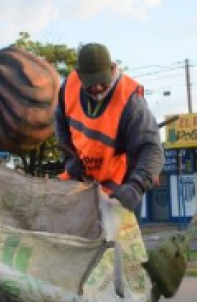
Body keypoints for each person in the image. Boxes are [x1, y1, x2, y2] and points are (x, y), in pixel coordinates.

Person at [56, 43, 163, 214]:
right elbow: (61, 123)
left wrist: (136, 186)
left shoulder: (131, 102)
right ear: (79, 74)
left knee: (117, 240)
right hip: (82, 184)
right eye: (91, 83)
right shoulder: (69, 88)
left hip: (120, 189)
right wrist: (70, 158)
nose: (97, 88)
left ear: (113, 68)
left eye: (102, 81)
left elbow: (151, 149)